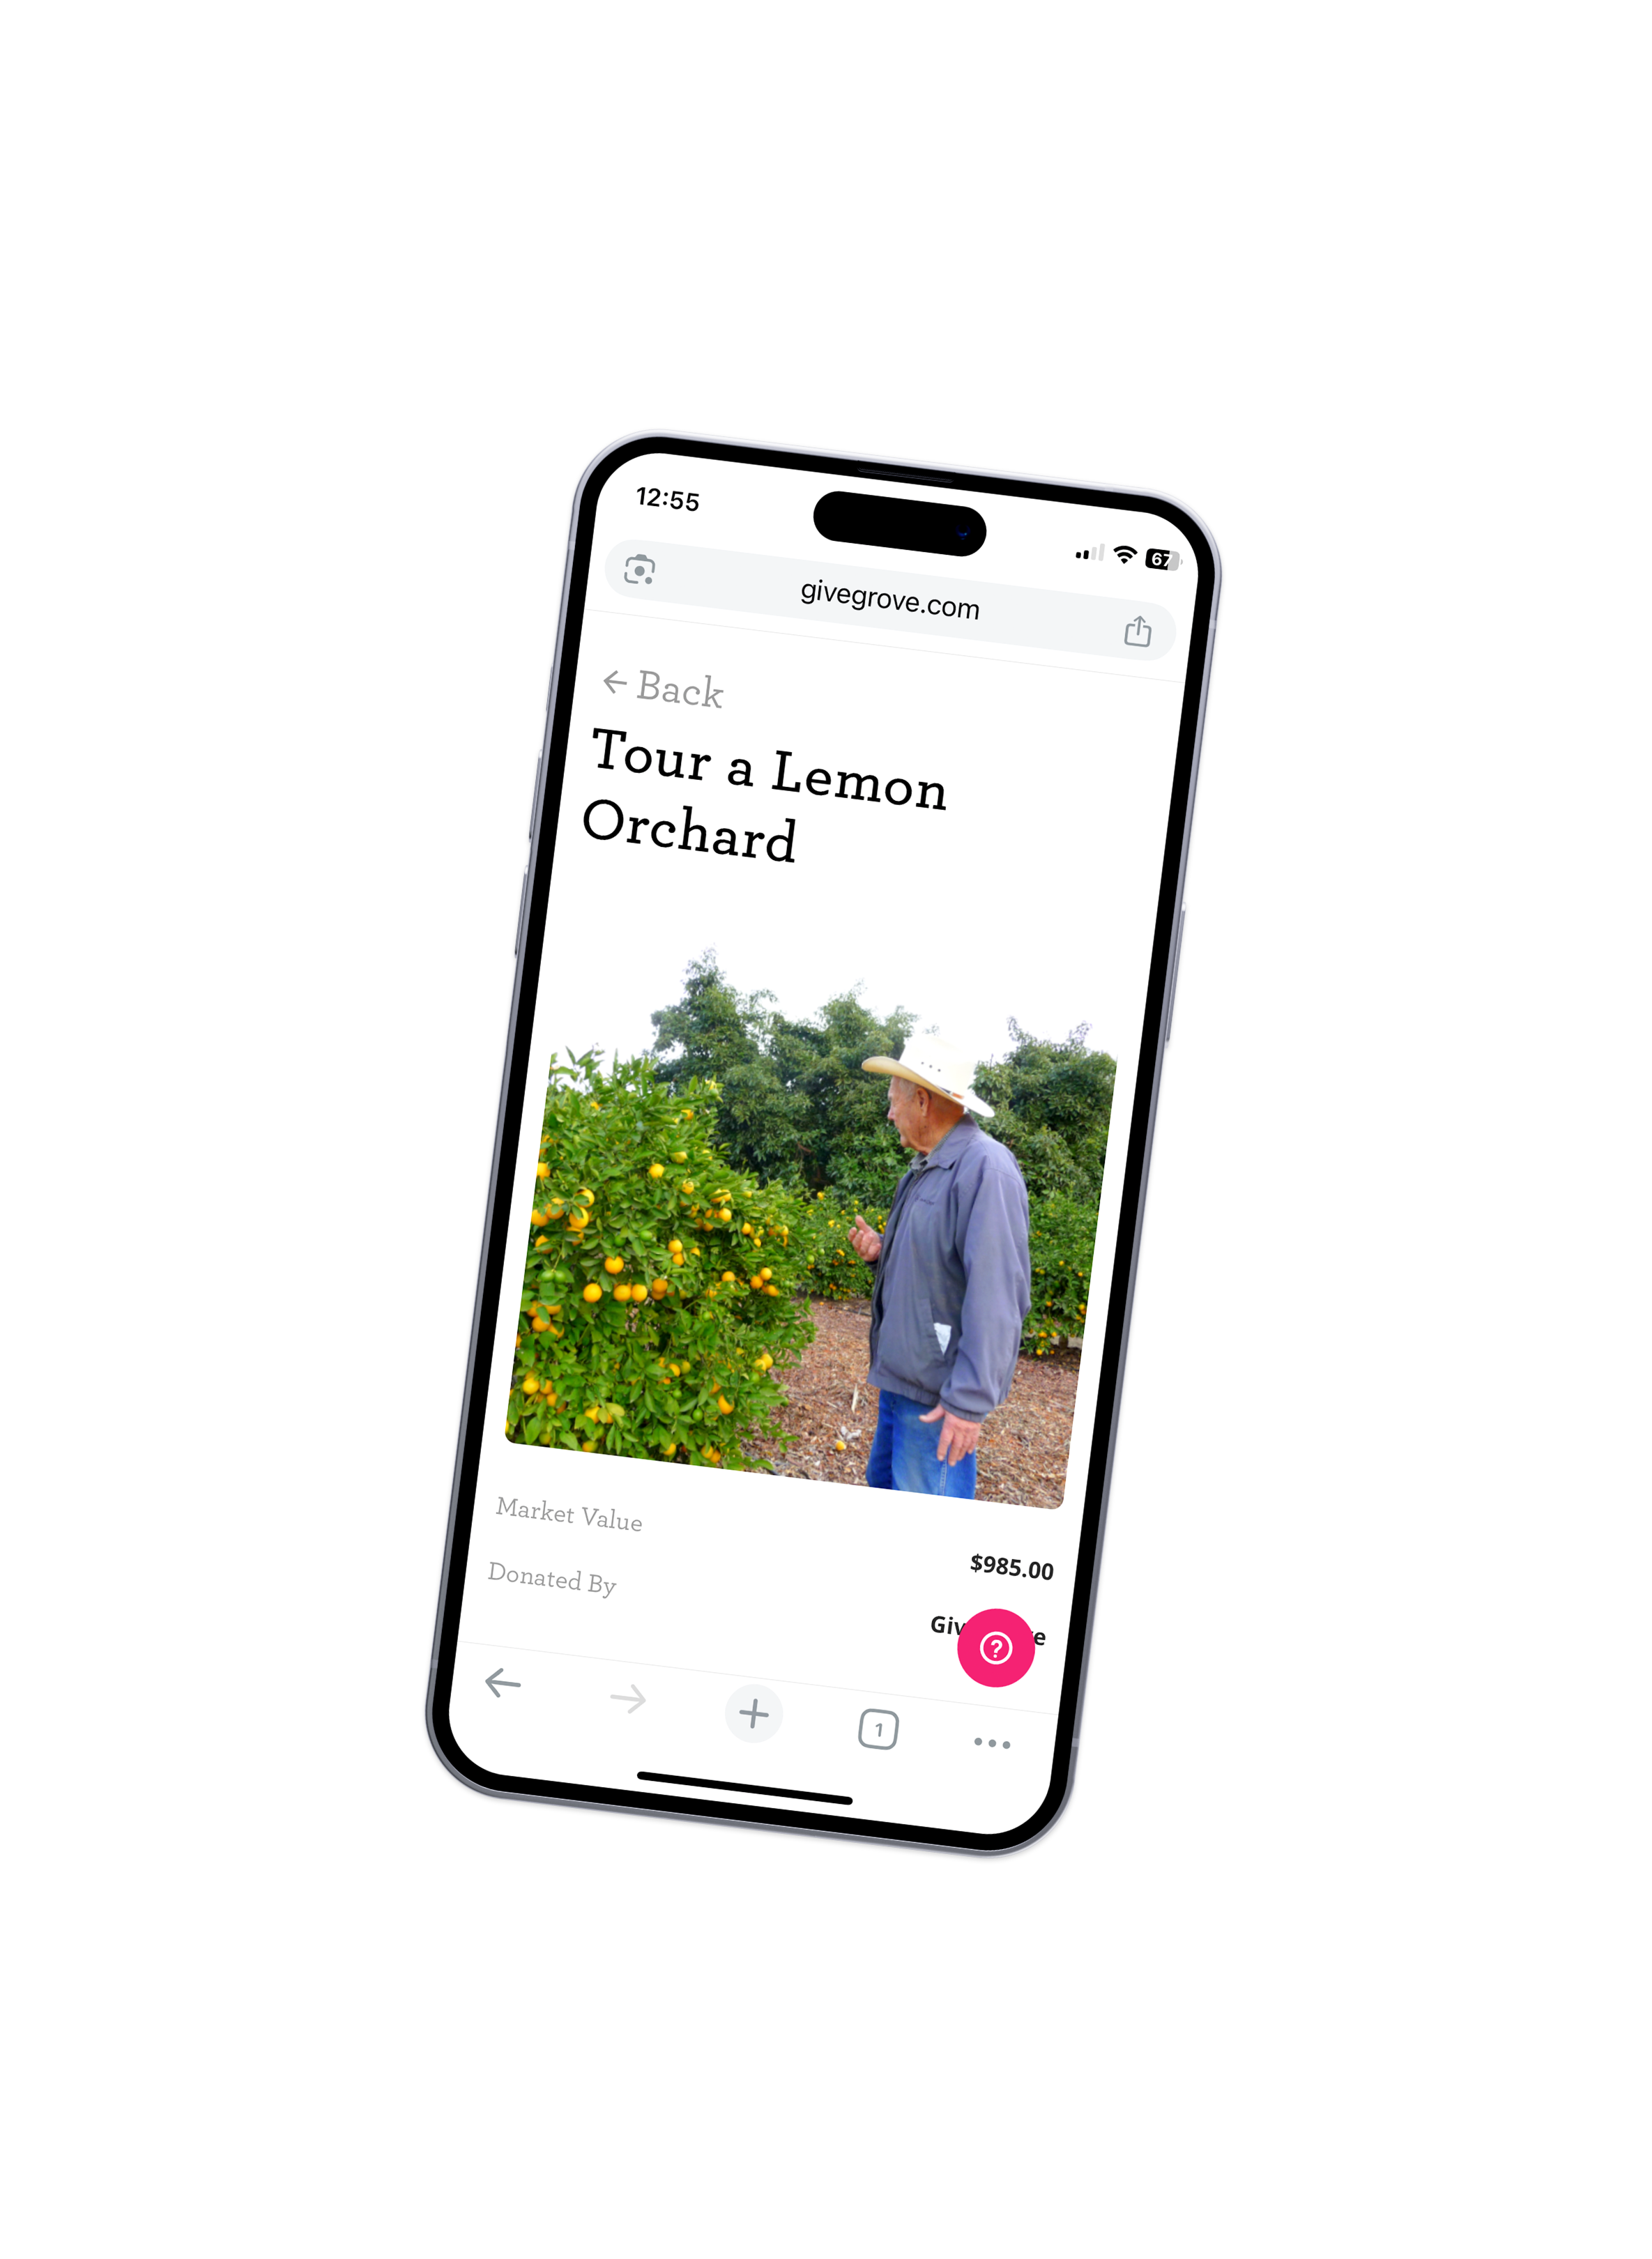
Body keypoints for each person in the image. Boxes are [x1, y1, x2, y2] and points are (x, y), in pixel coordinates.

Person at [849, 1036, 1031, 1498]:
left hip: (937, 1401)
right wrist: (882, 1253)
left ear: (923, 1100)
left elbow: (998, 1297)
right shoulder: (925, 1168)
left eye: (894, 1102)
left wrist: (968, 1403)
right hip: (901, 1384)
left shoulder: (986, 1170)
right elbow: (937, 1269)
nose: (890, 1114)